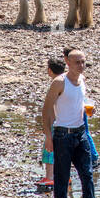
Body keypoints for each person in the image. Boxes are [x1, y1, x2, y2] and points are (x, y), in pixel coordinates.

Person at [42, 48, 95, 198]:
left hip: (81, 133)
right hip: (63, 134)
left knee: (87, 174)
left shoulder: (82, 79)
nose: (81, 65)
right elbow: (46, 110)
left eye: (83, 62)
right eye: (77, 62)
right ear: (67, 62)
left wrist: (88, 107)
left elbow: (80, 100)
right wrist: (48, 136)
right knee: (62, 179)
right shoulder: (59, 82)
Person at [38, 58, 64, 187]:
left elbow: (51, 106)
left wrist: (49, 123)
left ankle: (49, 177)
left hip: (56, 123)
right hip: (66, 122)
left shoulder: (55, 84)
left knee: (49, 149)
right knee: (63, 151)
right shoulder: (67, 82)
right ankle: (64, 176)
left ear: (49, 70)